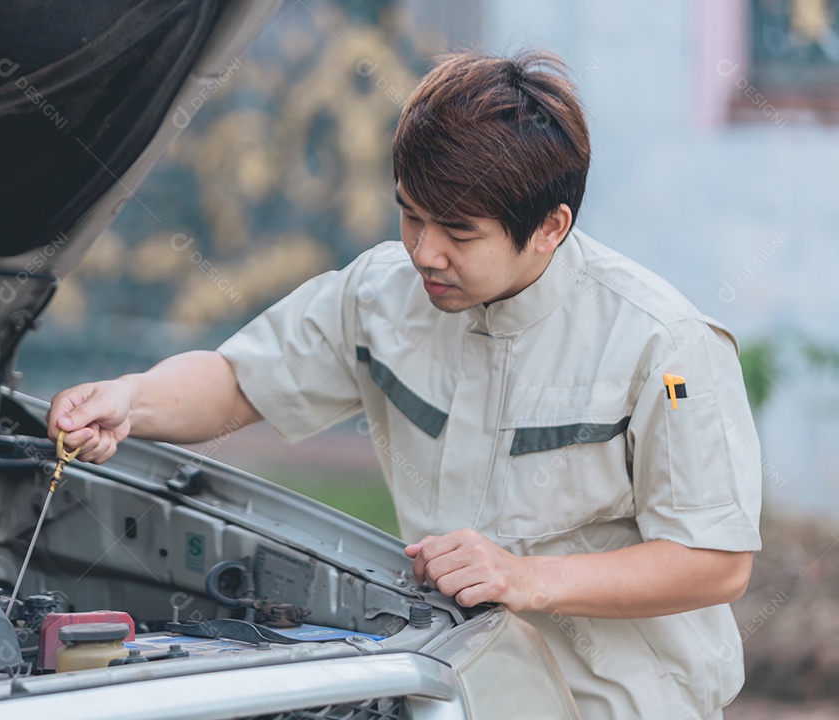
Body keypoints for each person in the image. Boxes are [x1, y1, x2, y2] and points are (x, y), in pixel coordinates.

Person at [46, 50, 761, 719]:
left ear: (550, 226)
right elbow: (240, 381)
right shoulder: (381, 293)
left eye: (458, 231)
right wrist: (131, 400)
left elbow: (716, 562)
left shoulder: (666, 349)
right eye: (410, 214)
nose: (425, 252)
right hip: (446, 697)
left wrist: (525, 577)